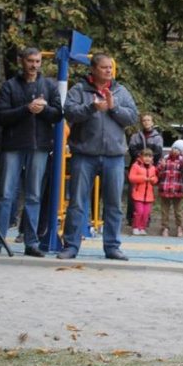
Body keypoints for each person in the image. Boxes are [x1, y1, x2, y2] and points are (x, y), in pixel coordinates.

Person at [58, 53, 139, 260]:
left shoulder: (120, 90)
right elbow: (69, 113)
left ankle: (112, 247)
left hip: (114, 157)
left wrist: (114, 107)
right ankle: (71, 246)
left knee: (113, 204)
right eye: (104, 67)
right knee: (76, 202)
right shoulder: (79, 89)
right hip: (84, 155)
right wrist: (91, 107)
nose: (108, 71)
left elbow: (132, 117)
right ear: (93, 70)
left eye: (110, 67)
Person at [0, 48, 63, 257]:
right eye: (30, 61)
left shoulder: (49, 85)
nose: (34, 65)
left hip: (40, 146)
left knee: (34, 196)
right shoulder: (10, 86)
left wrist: (43, 110)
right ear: (22, 61)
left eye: (37, 61)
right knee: (6, 195)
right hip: (14, 145)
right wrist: (26, 109)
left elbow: (58, 114)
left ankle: (31, 242)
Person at [126, 113, 164, 226]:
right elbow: (132, 150)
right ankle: (131, 218)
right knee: (132, 193)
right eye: (144, 120)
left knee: (147, 195)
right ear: (141, 122)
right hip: (136, 168)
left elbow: (157, 153)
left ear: (152, 122)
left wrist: (148, 159)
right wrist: (143, 157)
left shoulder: (157, 137)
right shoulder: (135, 136)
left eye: (148, 120)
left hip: (150, 169)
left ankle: (145, 219)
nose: (146, 122)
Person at [158, 139, 183, 237]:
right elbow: (158, 172)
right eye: (175, 148)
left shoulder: (182, 160)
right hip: (165, 188)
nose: (176, 151)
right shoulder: (165, 159)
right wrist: (161, 167)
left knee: (177, 210)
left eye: (178, 150)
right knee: (165, 210)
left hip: (177, 189)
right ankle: (165, 227)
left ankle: (180, 227)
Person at [129, 149, 158, 236]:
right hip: (138, 194)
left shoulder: (153, 167)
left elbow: (155, 179)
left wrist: (153, 180)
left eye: (150, 156)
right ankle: (135, 227)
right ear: (141, 157)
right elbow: (131, 177)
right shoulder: (136, 166)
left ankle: (142, 227)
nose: (147, 159)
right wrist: (143, 178)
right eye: (145, 156)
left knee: (146, 213)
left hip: (149, 195)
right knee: (139, 212)